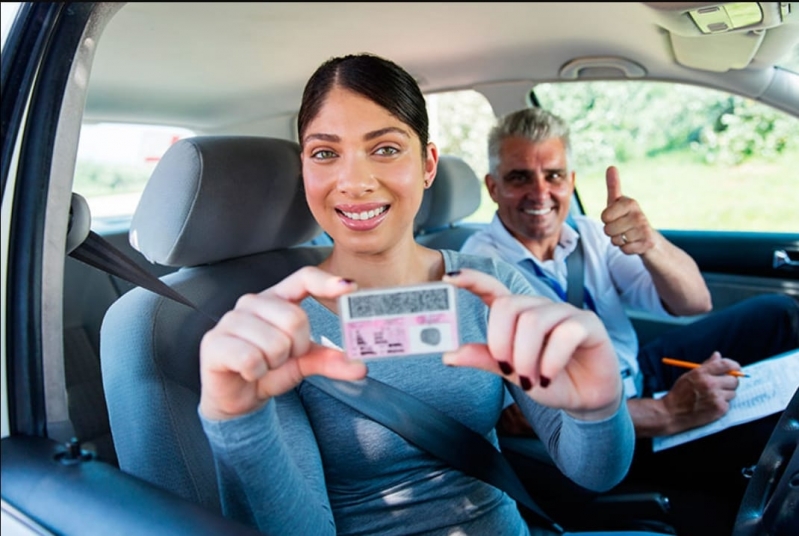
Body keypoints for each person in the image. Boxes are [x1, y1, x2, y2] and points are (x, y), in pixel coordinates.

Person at [194, 53, 671, 536]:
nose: (355, 181)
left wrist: (597, 409)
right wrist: (238, 423)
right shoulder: (278, 328)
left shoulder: (490, 285)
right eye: (325, 153)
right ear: (305, 170)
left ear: (427, 164)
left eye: (384, 149)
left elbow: (596, 473)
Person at [460, 106, 799, 534]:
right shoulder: (478, 272)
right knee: (772, 429)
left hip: (638, 371)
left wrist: (650, 243)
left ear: (573, 181)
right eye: (519, 177)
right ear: (493, 187)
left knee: (779, 314)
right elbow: (516, 418)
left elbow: (694, 302)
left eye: (554, 175)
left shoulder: (588, 234)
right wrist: (667, 412)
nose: (540, 192)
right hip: (597, 427)